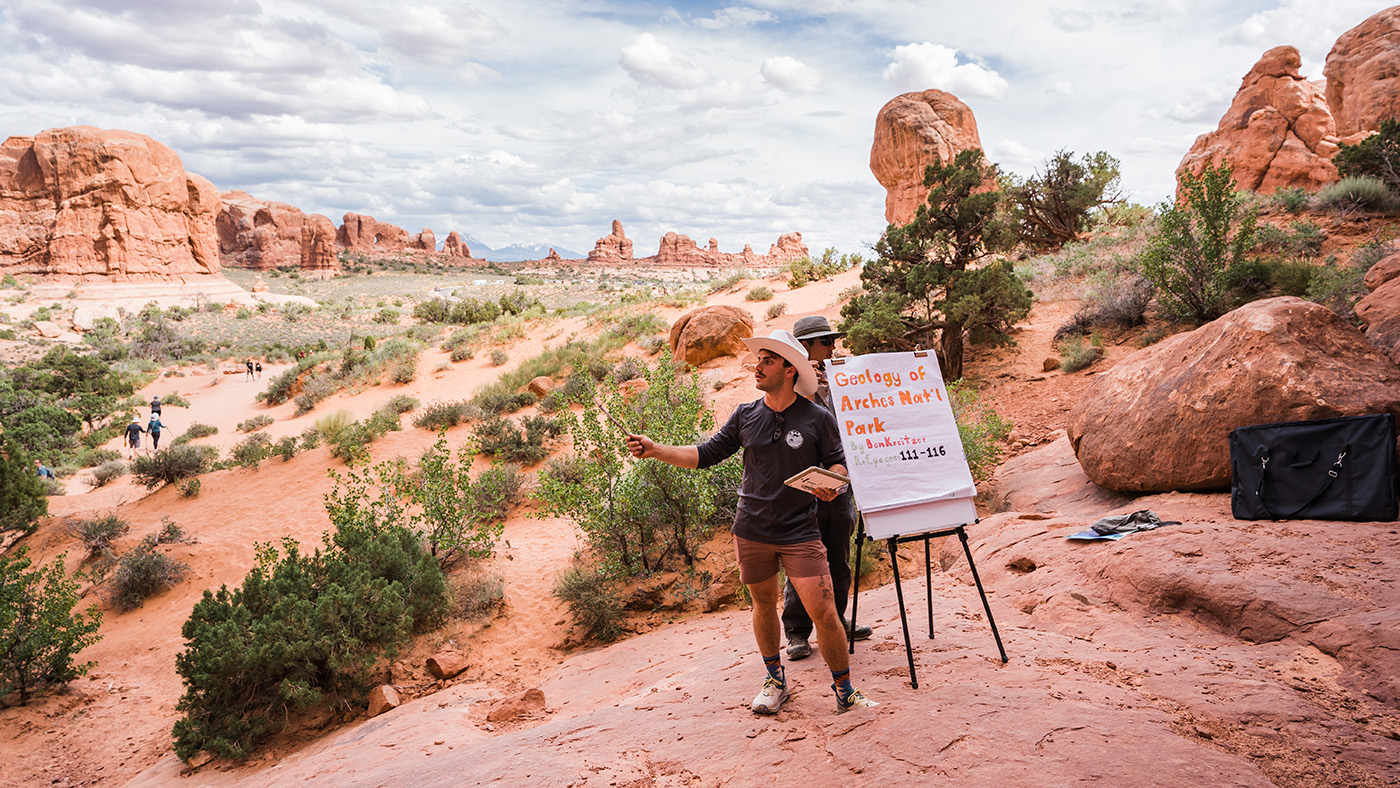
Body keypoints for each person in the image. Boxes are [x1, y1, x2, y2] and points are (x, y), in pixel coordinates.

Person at [627, 329, 877, 715]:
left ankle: (845, 691)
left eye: (767, 360)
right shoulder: (746, 414)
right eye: (759, 359)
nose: (756, 367)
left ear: (790, 370)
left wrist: (834, 484)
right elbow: (705, 454)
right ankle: (776, 682)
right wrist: (656, 449)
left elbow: (836, 460)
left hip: (800, 532)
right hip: (752, 529)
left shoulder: (817, 417)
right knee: (763, 606)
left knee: (825, 612)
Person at [782, 316, 873, 661]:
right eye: (826, 342)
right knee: (802, 560)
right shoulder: (788, 384)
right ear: (805, 347)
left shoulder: (838, 381)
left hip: (839, 485)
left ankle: (836, 620)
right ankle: (797, 632)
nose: (833, 348)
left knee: (838, 558)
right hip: (803, 490)